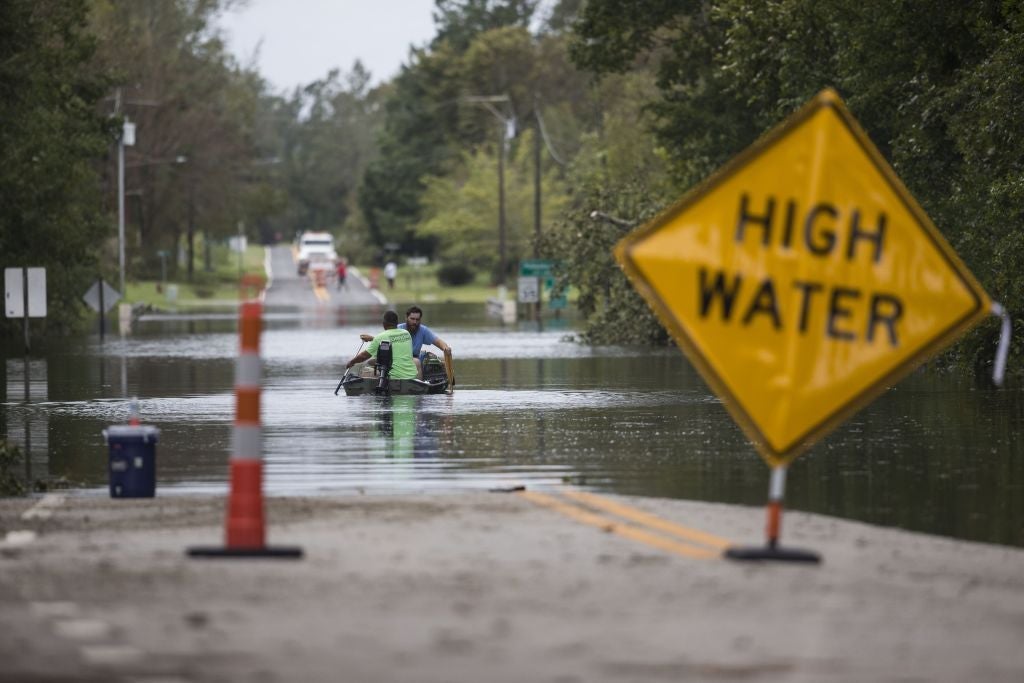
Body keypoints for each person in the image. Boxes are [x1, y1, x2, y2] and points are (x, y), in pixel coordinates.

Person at [345, 310, 418, 380]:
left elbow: (364, 356)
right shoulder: (406, 333)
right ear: (397, 323)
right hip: (412, 375)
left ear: (384, 323)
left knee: (366, 370)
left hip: (394, 376)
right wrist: (372, 339)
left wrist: (351, 362)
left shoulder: (380, 337)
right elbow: (392, 342)